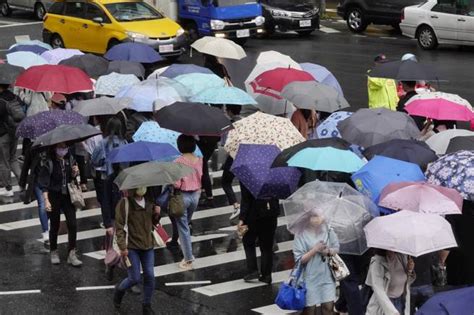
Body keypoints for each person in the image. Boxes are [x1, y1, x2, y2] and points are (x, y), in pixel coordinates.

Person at [113, 187, 160, 315]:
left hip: (148, 245)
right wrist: (123, 247)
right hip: (132, 247)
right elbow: (120, 227)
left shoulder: (150, 201)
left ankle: (146, 305)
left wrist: (157, 214)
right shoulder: (124, 203)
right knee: (134, 278)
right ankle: (119, 291)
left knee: (150, 276)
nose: (141, 188)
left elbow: (153, 223)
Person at [37, 142, 82, 266]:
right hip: (54, 196)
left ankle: (72, 253)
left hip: (68, 196)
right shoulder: (49, 163)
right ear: (55, 148)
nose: (63, 150)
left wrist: (75, 172)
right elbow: (44, 184)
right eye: (61, 147)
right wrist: (46, 200)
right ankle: (53, 250)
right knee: (55, 225)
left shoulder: (70, 159)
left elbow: (73, 179)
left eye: (65, 147)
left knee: (72, 224)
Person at [293, 213, 340, 315]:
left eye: (320, 216)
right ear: (307, 218)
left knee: (328, 308)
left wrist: (328, 251)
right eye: (314, 216)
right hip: (309, 278)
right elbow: (299, 260)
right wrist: (314, 250)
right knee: (310, 310)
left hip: (327, 276)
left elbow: (336, 248)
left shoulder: (328, 230)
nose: (317, 219)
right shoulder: (300, 234)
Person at [238, 184, 279, 284]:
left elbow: (246, 199)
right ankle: (267, 275)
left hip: (253, 214)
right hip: (271, 213)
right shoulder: (275, 175)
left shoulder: (247, 175)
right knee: (267, 246)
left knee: (248, 241)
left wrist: (242, 218)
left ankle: (252, 270)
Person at [173, 135, 203, 270]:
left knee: (183, 228)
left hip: (183, 196)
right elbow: (201, 176)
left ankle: (188, 259)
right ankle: (187, 248)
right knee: (186, 224)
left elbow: (177, 184)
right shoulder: (199, 160)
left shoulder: (178, 161)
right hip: (195, 196)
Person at [365, 250, 416, 315]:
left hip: (400, 301)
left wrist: (410, 270)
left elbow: (407, 282)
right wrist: (392, 312)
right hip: (384, 304)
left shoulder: (401, 256)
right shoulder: (377, 262)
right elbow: (378, 289)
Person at [0, 83, 25, 199]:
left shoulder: (1, 100)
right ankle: (22, 182)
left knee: (3, 162)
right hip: (14, 132)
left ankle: (8, 189)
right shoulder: (14, 96)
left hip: (3, 134)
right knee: (13, 158)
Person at [221, 105, 242, 223]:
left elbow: (225, 145)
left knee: (226, 182)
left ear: (229, 111)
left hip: (233, 156)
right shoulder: (246, 122)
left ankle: (236, 205)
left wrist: (223, 161)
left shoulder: (228, 125)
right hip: (246, 155)